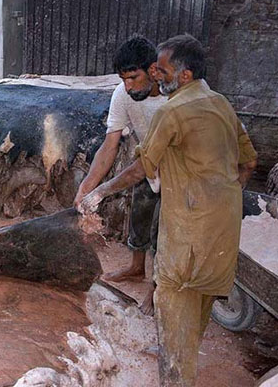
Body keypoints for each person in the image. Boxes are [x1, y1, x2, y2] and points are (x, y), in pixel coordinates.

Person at [78, 34, 257, 386]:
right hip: (222, 233)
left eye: (161, 69)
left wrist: (97, 193)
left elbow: (142, 168)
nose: (157, 74)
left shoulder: (173, 109)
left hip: (186, 229)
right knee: (195, 319)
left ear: (183, 74)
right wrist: (219, 195)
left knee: (174, 326)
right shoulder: (220, 103)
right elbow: (249, 163)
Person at [73, 36, 167, 315]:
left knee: (164, 232)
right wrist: (85, 188)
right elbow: (109, 144)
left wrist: (102, 191)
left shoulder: (176, 95)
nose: (128, 86)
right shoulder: (122, 95)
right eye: (123, 78)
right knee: (140, 214)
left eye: (133, 77)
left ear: (152, 70)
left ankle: (155, 290)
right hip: (147, 168)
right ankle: (136, 267)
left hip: (179, 174)